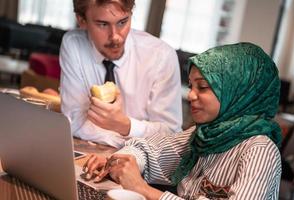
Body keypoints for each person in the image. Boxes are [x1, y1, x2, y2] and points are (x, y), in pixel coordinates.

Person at [84, 42, 282, 199]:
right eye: (191, 86)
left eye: (202, 87)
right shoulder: (202, 134)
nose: (191, 96)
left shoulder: (260, 151)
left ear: (237, 93)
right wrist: (120, 161)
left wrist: (142, 189)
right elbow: (150, 150)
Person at [59, 0, 182, 148]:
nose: (115, 37)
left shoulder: (161, 56)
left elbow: (171, 135)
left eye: (122, 22)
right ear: (81, 20)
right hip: (93, 154)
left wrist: (125, 125)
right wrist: (125, 140)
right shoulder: (73, 44)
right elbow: (73, 122)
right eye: (103, 24)